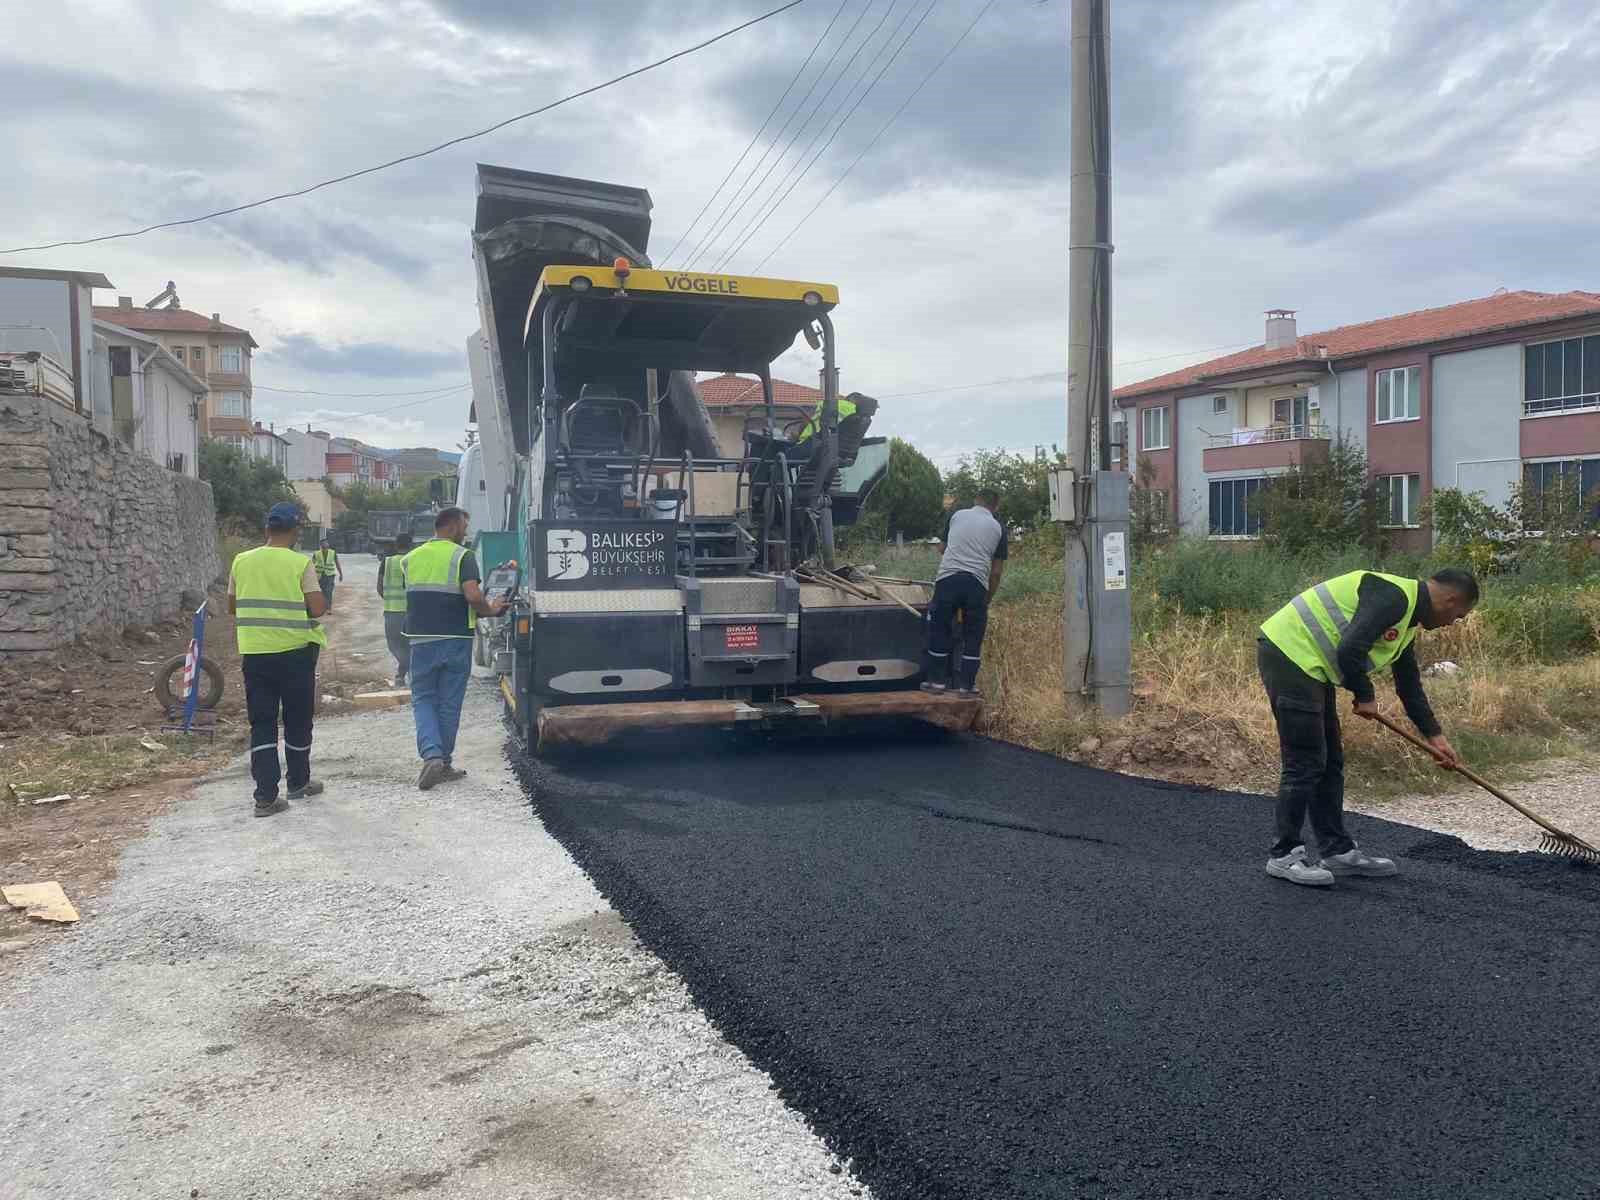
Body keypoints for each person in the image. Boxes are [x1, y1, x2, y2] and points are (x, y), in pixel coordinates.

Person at [1257, 567, 1479, 887]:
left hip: (1309, 665)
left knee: (1330, 762)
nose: (1451, 623)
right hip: (1288, 654)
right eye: (1458, 615)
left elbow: (1409, 685)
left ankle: (1337, 851)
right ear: (1450, 599)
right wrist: (1364, 694)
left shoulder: (1406, 622)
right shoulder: (1394, 598)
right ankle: (1284, 854)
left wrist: (1435, 736)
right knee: (1305, 761)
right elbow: (1350, 649)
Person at [228, 502, 328, 818]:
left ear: (266, 529)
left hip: (255, 654)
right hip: (295, 653)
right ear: (296, 531)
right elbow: (318, 608)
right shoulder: (300, 563)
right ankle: (298, 783)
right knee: (297, 720)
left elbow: (232, 606)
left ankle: (265, 798)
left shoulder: (241, 561)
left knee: (262, 723)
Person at [404, 507, 507, 790]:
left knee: (423, 698)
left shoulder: (410, 558)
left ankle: (431, 755)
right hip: (455, 639)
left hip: (421, 640)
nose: (466, 532)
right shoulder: (463, 556)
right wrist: (492, 609)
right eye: (464, 527)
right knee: (449, 702)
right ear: (450, 527)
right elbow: (473, 595)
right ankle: (444, 762)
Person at [921, 488, 1008, 697]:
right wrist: (987, 599)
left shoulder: (957, 515)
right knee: (973, 635)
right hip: (976, 585)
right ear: (996, 506)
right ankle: (966, 687)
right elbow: (996, 572)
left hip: (948, 580)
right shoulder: (999, 528)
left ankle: (937, 683)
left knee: (939, 629)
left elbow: (941, 548)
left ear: (975, 500)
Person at [376, 532, 413, 687]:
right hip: (410, 612)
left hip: (391, 612)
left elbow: (379, 586)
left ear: (396, 545)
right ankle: (405, 673)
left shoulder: (387, 562)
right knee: (408, 645)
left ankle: (404, 672)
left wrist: (389, 598)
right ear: (411, 546)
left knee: (394, 645)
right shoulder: (413, 561)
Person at [313, 538, 342, 610]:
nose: (325, 544)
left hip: (330, 575)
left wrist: (341, 574)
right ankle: (323, 606)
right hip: (320, 576)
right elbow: (311, 564)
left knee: (329, 591)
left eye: (326, 543)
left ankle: (329, 608)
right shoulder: (316, 553)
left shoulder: (333, 553)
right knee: (321, 592)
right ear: (320, 545)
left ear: (328, 545)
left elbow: (337, 563)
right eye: (323, 543)